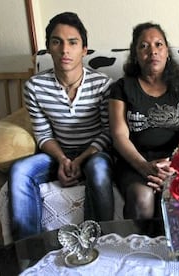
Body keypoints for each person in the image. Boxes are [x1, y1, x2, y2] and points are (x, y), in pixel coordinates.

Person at [8, 12, 114, 240]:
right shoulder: (34, 87)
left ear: (84, 49)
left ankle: (98, 243)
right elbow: (43, 134)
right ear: (48, 48)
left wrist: (80, 159)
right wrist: (63, 160)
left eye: (72, 43)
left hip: (94, 154)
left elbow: (108, 132)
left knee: (99, 170)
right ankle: (29, 253)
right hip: (57, 154)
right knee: (20, 171)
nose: (65, 50)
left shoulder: (103, 84)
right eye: (57, 42)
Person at [109, 22, 179, 219]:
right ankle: (138, 248)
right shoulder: (122, 87)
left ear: (167, 51)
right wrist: (144, 167)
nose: (152, 51)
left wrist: (174, 165)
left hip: (176, 160)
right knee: (142, 196)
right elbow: (119, 135)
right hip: (134, 162)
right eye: (144, 46)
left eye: (159, 45)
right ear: (135, 54)